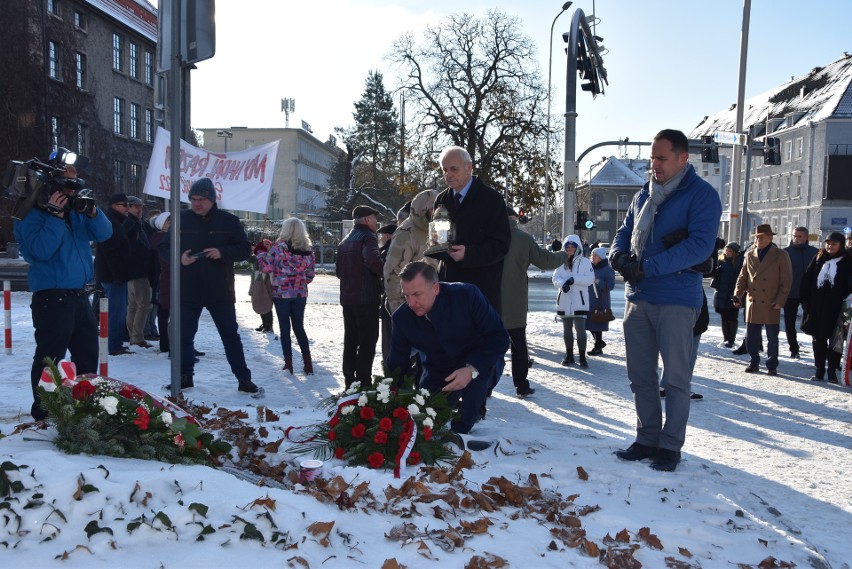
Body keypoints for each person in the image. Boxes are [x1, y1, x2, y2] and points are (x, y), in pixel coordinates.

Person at [610, 128, 722, 472]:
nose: (653, 165)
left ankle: (670, 447)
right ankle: (646, 438)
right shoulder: (644, 194)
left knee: (675, 380)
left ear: (682, 158)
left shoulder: (702, 196)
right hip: (638, 297)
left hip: (676, 297)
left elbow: (698, 248)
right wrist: (618, 257)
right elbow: (624, 232)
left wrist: (646, 266)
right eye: (651, 158)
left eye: (661, 158)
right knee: (639, 376)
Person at [14, 163, 112, 421]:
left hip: (79, 296)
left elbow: (105, 233)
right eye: (68, 187)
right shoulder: (31, 215)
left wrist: (93, 212)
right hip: (52, 298)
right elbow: (39, 252)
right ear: (52, 187)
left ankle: (85, 407)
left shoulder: (77, 212)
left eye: (76, 186)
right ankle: (44, 412)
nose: (73, 193)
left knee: (87, 356)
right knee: (50, 359)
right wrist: (55, 217)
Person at [158, 177, 259, 394]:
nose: (197, 204)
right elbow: (163, 248)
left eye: (202, 199)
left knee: (230, 336)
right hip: (187, 289)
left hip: (219, 290)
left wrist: (223, 252)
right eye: (193, 199)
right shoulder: (181, 219)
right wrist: (178, 258)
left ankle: (243, 378)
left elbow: (244, 249)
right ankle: (184, 376)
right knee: (183, 336)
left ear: (212, 199)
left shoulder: (229, 221)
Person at [386, 261, 509, 434]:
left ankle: (471, 416)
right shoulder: (402, 318)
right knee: (426, 419)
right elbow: (397, 365)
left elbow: (500, 338)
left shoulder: (466, 296)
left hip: (480, 361)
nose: (411, 302)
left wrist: (471, 369)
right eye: (406, 296)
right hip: (438, 369)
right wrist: (389, 401)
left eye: (417, 294)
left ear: (435, 289)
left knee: (463, 422)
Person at [431, 146, 511, 311]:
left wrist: (468, 254)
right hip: (448, 289)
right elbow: (439, 240)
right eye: (444, 170)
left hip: (481, 292)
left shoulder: (492, 200)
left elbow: (501, 245)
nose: (448, 174)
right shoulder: (442, 200)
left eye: (453, 169)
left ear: (469, 167)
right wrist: (437, 246)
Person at [501, 207, 567, 397]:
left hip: (490, 300)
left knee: (489, 344)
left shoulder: (487, 236)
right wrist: (563, 254)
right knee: (518, 344)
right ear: (514, 218)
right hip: (515, 301)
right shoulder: (523, 239)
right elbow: (545, 261)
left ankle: (485, 388)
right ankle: (521, 385)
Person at [257, 218, 316, 375]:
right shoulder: (309, 250)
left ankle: (288, 364)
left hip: (281, 293)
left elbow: (266, 267)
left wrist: (261, 253)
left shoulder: (278, 248)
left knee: (285, 328)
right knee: (299, 327)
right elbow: (310, 276)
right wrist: (299, 281)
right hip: (300, 293)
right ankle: (308, 364)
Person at [733, 224, 792, 376]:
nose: (758, 240)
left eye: (762, 237)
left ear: (771, 238)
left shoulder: (780, 254)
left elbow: (786, 280)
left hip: (771, 300)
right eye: (757, 237)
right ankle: (754, 362)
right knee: (751, 336)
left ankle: (772, 364)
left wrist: (780, 300)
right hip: (753, 300)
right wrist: (737, 295)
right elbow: (742, 277)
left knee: (772, 336)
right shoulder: (750, 254)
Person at [336, 205, 384, 388]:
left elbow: (339, 271)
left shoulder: (345, 241)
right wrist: (385, 270)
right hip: (366, 299)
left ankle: (349, 381)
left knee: (350, 340)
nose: (376, 222)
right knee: (367, 342)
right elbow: (373, 261)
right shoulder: (368, 238)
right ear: (366, 220)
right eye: (374, 218)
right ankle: (364, 381)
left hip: (348, 299)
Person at [800, 232, 852, 383]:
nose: (830, 246)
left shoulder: (847, 261)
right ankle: (819, 369)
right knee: (818, 340)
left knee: (835, 341)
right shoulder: (819, 258)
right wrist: (805, 301)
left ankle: (832, 371)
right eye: (828, 243)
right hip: (817, 308)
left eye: (834, 244)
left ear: (841, 245)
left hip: (837, 309)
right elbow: (807, 279)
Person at [384, 189, 438, 315]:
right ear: (423, 209)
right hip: (411, 305)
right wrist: (399, 310)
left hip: (432, 303)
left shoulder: (437, 229)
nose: (437, 213)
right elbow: (392, 273)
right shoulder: (406, 233)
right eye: (433, 208)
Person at [94, 193, 133, 356]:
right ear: (115, 206)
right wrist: (118, 274)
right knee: (116, 312)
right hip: (113, 276)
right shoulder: (112, 223)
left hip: (114, 274)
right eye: (125, 205)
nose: (128, 208)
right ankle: (114, 344)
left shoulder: (116, 222)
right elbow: (110, 251)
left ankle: (115, 342)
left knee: (117, 311)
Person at [553, 234, 595, 368]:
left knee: (580, 330)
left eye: (572, 246)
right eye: (568, 247)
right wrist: (562, 284)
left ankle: (582, 357)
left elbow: (590, 279)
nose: (570, 249)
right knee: (567, 330)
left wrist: (574, 279)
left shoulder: (585, 262)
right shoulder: (560, 261)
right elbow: (555, 278)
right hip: (564, 301)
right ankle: (569, 355)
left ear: (577, 248)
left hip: (579, 302)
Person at [783, 227, 818, 358]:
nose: (796, 239)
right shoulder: (785, 252)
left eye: (799, 236)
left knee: (813, 321)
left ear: (806, 237)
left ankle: (817, 349)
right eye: (794, 236)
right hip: (790, 292)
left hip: (809, 293)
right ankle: (794, 348)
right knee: (789, 322)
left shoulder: (815, 252)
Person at [124, 195, 153, 349]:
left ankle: (134, 335)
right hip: (138, 269)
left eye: (141, 206)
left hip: (134, 269)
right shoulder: (131, 223)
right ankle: (136, 337)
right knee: (143, 304)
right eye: (136, 206)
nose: (140, 209)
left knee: (134, 304)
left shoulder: (133, 222)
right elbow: (133, 246)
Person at [712, 242, 744, 348]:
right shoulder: (721, 261)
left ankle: (731, 339)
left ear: (735, 252)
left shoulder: (739, 262)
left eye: (730, 251)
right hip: (721, 293)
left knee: (732, 317)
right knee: (724, 316)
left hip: (733, 293)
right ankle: (726, 338)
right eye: (726, 250)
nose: (727, 252)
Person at [148, 212, 171, 353]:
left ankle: (173, 343)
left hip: (168, 278)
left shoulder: (170, 237)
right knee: (164, 313)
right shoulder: (159, 238)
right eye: (168, 221)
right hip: (163, 279)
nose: (171, 224)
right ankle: (166, 344)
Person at [587, 246, 615, 356]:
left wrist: (597, 281)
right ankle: (599, 343)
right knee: (589, 322)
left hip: (601, 301)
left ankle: (598, 347)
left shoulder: (607, 269)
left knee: (597, 322)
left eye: (595, 256)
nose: (592, 258)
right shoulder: (591, 267)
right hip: (590, 299)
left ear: (601, 258)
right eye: (592, 255)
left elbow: (610, 286)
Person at [377, 223, 397, 360]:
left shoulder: (387, 252)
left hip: (390, 302)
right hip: (394, 301)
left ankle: (391, 375)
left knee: (389, 343)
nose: (380, 238)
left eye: (382, 235)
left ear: (388, 236)